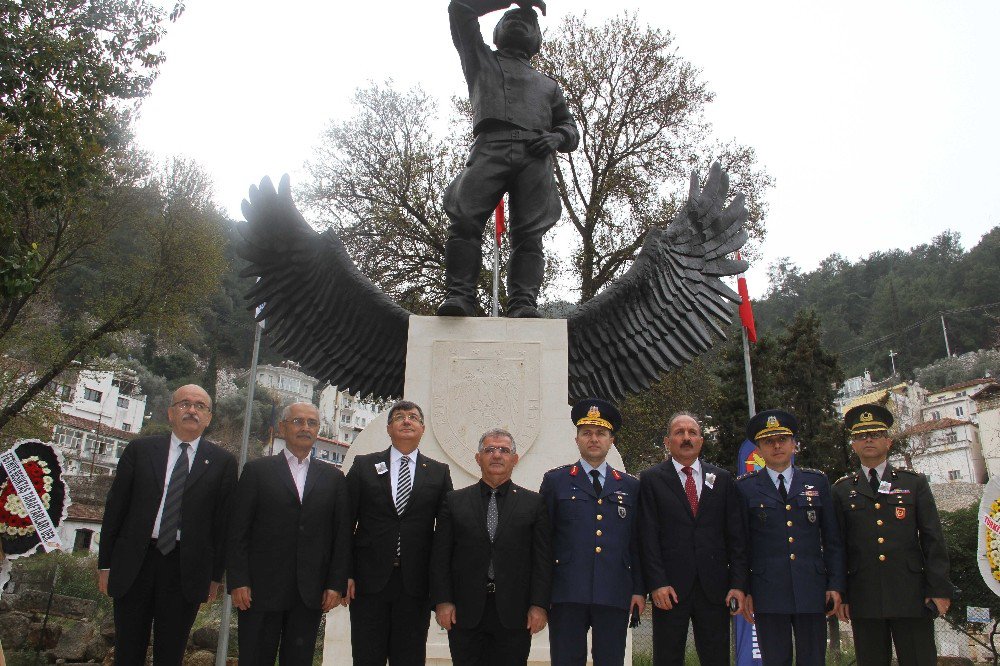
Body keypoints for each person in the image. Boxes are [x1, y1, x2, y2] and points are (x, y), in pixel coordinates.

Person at [439, 0, 580, 318]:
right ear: (497, 31)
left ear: (537, 40)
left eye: (527, 22)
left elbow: (569, 129)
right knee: (464, 218)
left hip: (535, 157)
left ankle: (523, 302)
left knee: (529, 234)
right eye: (511, 18)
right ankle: (460, 295)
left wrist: (557, 137)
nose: (518, 22)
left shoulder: (548, 86)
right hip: (491, 146)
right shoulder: (480, 59)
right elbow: (460, 8)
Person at [98, 384, 238, 666]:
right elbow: (116, 510)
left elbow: (222, 525)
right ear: (171, 413)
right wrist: (105, 565)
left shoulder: (222, 463)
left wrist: (215, 577)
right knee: (127, 649)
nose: (192, 410)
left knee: (171, 652)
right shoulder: (140, 450)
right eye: (185, 404)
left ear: (209, 418)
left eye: (200, 406)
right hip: (135, 562)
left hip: (185, 568)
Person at [227, 402, 351, 665]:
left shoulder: (333, 479)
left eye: (312, 423)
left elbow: (340, 536)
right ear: (283, 427)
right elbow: (238, 530)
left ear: (318, 430)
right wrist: (238, 579)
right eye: (298, 421)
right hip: (259, 590)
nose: (305, 427)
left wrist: (334, 584)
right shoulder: (257, 471)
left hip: (309, 592)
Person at [833, 404, 954, 666]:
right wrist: (842, 593)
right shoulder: (842, 490)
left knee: (919, 659)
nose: (868, 440)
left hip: (910, 593)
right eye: (861, 436)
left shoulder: (913, 483)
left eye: (875, 434)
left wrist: (939, 588)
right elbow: (838, 546)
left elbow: (933, 538)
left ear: (888, 441)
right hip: (864, 595)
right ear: (853, 445)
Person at [345, 400, 453, 665]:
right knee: (366, 656)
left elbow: (446, 535)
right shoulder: (363, 466)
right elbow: (344, 524)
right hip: (368, 583)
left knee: (410, 658)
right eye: (400, 417)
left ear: (422, 428)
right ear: (389, 428)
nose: (407, 421)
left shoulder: (439, 473)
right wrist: (343, 574)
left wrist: (442, 589)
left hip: (415, 584)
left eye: (413, 417)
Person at [431, 428, 552, 665]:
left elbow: (542, 560)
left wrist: (539, 605)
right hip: (464, 612)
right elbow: (440, 556)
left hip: (515, 614)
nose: (497, 455)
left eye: (504, 450)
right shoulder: (454, 501)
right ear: (478, 458)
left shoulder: (534, 503)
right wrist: (442, 601)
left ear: (515, 459)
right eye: (489, 450)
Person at [735, 409, 845, 666]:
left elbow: (832, 540)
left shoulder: (816, 482)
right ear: (759, 450)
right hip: (767, 591)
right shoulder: (745, 487)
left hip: (811, 588)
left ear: (794, 444)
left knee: (813, 659)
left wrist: (835, 584)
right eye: (768, 442)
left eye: (782, 439)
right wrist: (745, 589)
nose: (776, 446)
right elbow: (741, 545)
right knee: (775, 659)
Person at [539, 399, 644, 666]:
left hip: (614, 591)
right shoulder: (556, 481)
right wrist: (541, 594)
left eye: (601, 434)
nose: (593, 439)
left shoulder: (630, 486)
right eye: (587, 433)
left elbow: (637, 543)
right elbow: (543, 541)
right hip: (567, 592)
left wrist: (639, 590)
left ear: (611, 441)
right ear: (577, 439)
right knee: (565, 660)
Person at [638, 411, 747, 666]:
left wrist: (738, 583)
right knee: (667, 657)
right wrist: (656, 583)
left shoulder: (722, 479)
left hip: (715, 588)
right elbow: (647, 536)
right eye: (679, 433)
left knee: (717, 658)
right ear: (667, 441)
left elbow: (736, 537)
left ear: (701, 440)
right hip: (670, 590)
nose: (686, 438)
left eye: (692, 433)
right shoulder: (651, 480)